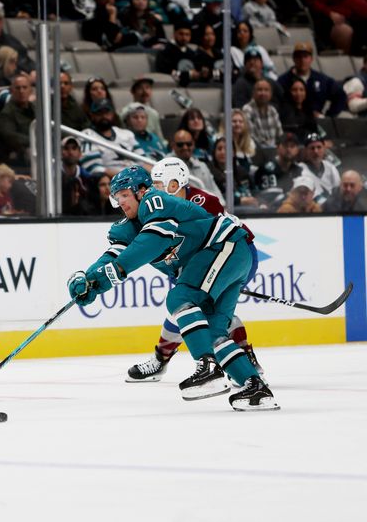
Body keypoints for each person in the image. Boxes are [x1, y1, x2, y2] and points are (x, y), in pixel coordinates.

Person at [67, 165, 277, 411]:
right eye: (117, 198)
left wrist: (113, 275)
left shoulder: (154, 201)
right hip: (225, 256)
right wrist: (87, 279)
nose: (121, 202)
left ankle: (208, 368)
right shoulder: (125, 227)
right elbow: (111, 257)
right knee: (213, 332)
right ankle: (255, 387)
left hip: (226, 246)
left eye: (124, 194)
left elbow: (154, 240)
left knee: (179, 297)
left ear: (141, 190)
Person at [276, 42, 346, 117]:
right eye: (299, 57)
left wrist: (329, 116)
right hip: (292, 121)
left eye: (305, 57)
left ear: (311, 59)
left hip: (317, 120)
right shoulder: (283, 80)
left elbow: (340, 95)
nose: (302, 60)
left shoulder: (322, 79)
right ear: (294, 59)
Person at [80, 98, 143, 176]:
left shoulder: (127, 134)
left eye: (107, 113)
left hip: (138, 178)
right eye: (99, 113)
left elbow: (143, 161)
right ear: (92, 115)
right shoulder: (87, 135)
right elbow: (94, 168)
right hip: (113, 181)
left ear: (112, 114)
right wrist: (128, 177)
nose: (104, 116)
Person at [169, 129, 223, 202]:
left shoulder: (202, 165)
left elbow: (214, 189)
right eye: (180, 144)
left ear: (193, 144)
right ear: (173, 145)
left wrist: (222, 205)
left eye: (189, 144)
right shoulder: (167, 165)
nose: (185, 147)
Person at [0, 74, 36, 170]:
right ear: (12, 91)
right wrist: (34, 141)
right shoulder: (7, 112)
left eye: (25, 87)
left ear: (30, 90)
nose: (21, 91)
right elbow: (10, 136)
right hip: (17, 155)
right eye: (18, 88)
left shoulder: (35, 109)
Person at [253, 132, 304, 207]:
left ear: (297, 150)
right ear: (277, 148)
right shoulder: (266, 169)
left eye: (292, 146)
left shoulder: (298, 170)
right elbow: (266, 197)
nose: (289, 149)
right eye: (285, 146)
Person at [298, 132, 340, 204]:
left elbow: (338, 190)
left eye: (319, 147)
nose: (316, 151)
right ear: (305, 150)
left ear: (324, 149)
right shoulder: (299, 170)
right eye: (312, 148)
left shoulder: (331, 167)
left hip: (332, 209)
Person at [242, 77, 283, 148]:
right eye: (259, 90)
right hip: (256, 151)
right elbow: (251, 136)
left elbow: (279, 135)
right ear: (253, 93)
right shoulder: (247, 109)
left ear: (271, 94)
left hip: (273, 151)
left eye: (266, 90)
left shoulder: (273, 110)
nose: (263, 93)